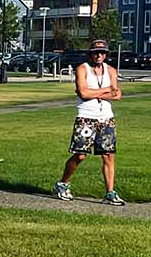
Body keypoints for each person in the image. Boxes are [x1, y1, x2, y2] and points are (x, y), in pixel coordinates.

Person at [53, 39, 124, 206]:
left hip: (106, 117)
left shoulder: (111, 70)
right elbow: (84, 94)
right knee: (80, 155)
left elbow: (117, 94)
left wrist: (95, 92)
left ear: (106, 54)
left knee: (108, 156)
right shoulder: (82, 69)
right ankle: (62, 183)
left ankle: (110, 192)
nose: (99, 55)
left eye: (102, 52)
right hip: (86, 117)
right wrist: (106, 90)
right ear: (90, 54)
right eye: (96, 52)